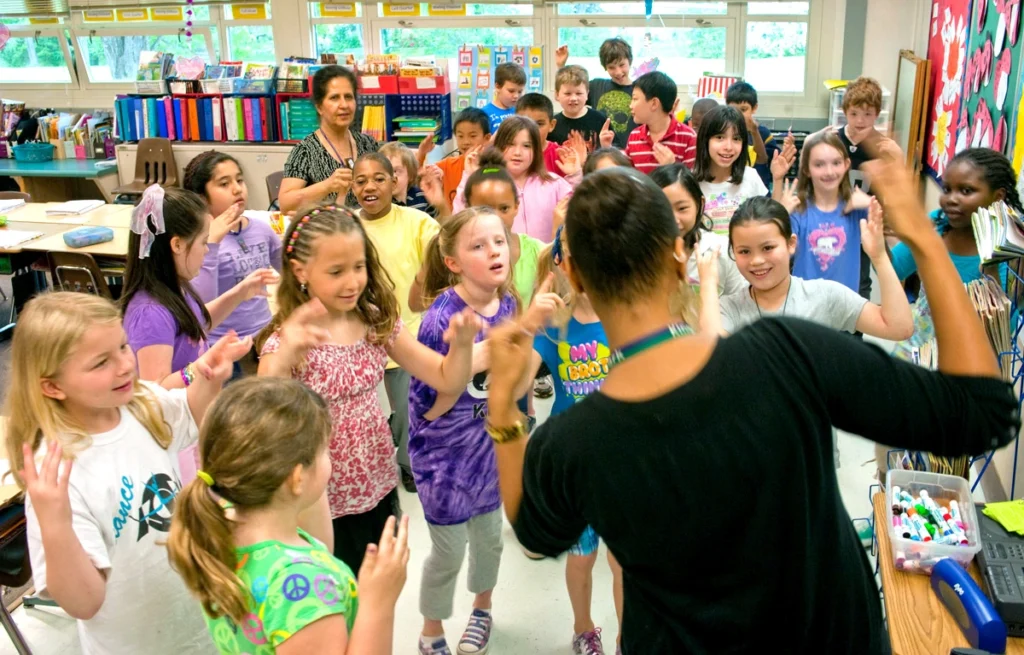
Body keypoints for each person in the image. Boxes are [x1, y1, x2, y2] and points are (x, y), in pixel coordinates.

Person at [481, 162, 1019, 653]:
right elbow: (983, 412)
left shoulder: (573, 442)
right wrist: (925, 240)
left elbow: (534, 531)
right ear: (678, 252)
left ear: (573, 274)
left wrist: (504, 408)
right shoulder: (788, 353)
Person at [6, 292, 250, 654]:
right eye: (100, 362)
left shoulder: (142, 402)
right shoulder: (57, 472)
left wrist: (208, 378)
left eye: (122, 346)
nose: (124, 365)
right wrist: (54, 525)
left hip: (200, 625)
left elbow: (195, 417)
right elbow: (83, 603)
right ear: (53, 386)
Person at [257, 205, 480, 572]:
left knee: (375, 591)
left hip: (374, 484)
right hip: (317, 500)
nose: (352, 282)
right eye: (336, 271)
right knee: (334, 602)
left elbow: (444, 377)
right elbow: (260, 414)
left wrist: (462, 345)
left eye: (358, 267)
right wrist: (284, 355)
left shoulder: (374, 319)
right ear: (300, 271)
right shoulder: (290, 339)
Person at [167, 376, 412, 654]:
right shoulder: (301, 587)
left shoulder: (216, 526)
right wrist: (377, 604)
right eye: (324, 451)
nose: (328, 460)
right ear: (297, 478)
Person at [410, 207, 532, 655]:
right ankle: (431, 630)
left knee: (487, 542)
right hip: (442, 455)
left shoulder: (511, 304)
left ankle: (482, 609)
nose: (493, 251)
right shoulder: (441, 319)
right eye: (478, 246)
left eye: (498, 241)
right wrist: (476, 356)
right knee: (447, 550)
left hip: (489, 450)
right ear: (454, 262)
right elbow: (432, 405)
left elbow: (514, 384)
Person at [876, 147, 1019, 478]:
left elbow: (1005, 322)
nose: (951, 199)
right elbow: (896, 267)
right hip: (916, 354)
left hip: (965, 371)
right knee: (895, 447)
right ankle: (887, 509)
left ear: (996, 196)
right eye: (948, 189)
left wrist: (993, 266)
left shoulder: (1010, 253)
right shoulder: (935, 229)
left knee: (945, 460)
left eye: (966, 191)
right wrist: (877, 237)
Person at [517, 232, 625, 655]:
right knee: (581, 559)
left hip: (623, 463)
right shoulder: (555, 325)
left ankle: (625, 636)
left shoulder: (626, 316)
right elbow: (521, 381)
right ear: (560, 264)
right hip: (575, 467)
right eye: (576, 259)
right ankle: (584, 628)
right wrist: (528, 322)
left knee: (623, 563)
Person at [121, 185, 278, 388]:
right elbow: (157, 390)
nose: (206, 250)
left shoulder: (173, 286)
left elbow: (196, 323)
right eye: (204, 242)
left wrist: (239, 294)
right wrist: (206, 363)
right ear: (177, 245)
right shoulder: (150, 313)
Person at [352, 153, 442, 492]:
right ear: (352, 187)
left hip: (409, 334)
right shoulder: (347, 225)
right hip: (360, 335)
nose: (369, 186)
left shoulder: (416, 221)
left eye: (378, 178)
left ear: (394, 183)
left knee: (408, 406)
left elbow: (443, 252)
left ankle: (407, 461)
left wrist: (443, 208)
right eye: (361, 180)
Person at [716, 196, 912, 341]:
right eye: (744, 251)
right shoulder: (728, 308)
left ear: (791, 244)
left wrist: (879, 257)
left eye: (768, 248)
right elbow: (710, 362)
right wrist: (708, 283)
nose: (757, 260)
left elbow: (898, 328)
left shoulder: (825, 295)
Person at [183, 151, 283, 376]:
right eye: (224, 183)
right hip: (222, 347)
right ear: (201, 197)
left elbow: (292, 271)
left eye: (239, 180)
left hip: (265, 340)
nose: (237, 189)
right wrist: (212, 241)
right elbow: (198, 304)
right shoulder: (197, 243)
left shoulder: (261, 229)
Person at [454, 117, 579, 242]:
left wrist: (574, 177)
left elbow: (577, 214)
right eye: (510, 144)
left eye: (526, 146)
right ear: (498, 146)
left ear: (536, 150)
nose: (518, 152)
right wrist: (469, 178)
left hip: (545, 259)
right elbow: (459, 220)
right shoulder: (487, 185)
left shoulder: (553, 183)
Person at [279, 65, 380, 211]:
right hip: (327, 229)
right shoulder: (305, 151)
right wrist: (327, 186)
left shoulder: (368, 144)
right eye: (334, 98)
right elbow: (285, 204)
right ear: (319, 107)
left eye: (348, 97)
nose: (344, 105)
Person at [788, 130, 871, 293]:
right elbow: (779, 252)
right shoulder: (797, 210)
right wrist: (782, 210)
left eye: (836, 163)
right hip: (804, 307)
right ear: (806, 169)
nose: (829, 172)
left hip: (846, 307)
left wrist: (870, 203)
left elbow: (896, 228)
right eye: (819, 165)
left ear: (846, 164)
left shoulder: (858, 209)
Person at [650, 163, 746, 297]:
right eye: (662, 209)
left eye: (682, 208)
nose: (674, 220)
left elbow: (739, 301)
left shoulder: (721, 250)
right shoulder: (644, 254)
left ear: (700, 204)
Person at [694, 105, 771, 234]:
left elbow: (767, 223)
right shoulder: (692, 183)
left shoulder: (751, 177)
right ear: (705, 140)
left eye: (736, 139)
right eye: (720, 137)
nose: (729, 147)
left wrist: (778, 179)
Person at [555, 39, 637, 148]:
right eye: (611, 67)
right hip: (602, 152)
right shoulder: (597, 86)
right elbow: (572, 88)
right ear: (605, 67)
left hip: (631, 151)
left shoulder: (639, 90)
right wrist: (561, 66)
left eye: (622, 65)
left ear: (630, 61)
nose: (618, 72)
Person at [416, 107, 491, 211]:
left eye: (472, 136)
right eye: (460, 136)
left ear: (486, 138)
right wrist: (421, 154)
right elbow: (416, 177)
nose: (466, 142)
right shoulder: (447, 165)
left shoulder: (493, 169)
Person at [624, 71, 696, 174]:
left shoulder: (688, 137)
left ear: (654, 103)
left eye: (635, 99)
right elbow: (628, 177)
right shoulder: (634, 136)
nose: (631, 105)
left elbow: (691, 185)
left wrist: (672, 167)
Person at [726, 82, 779, 189]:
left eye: (743, 109)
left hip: (758, 190)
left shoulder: (763, 133)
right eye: (733, 109)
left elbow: (765, 160)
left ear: (754, 108)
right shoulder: (725, 132)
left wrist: (754, 132)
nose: (738, 114)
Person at [549, 65, 608, 152]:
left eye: (579, 93)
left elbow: (615, 153)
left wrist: (607, 146)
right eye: (567, 93)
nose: (573, 98)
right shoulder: (552, 125)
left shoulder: (600, 120)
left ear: (587, 94)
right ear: (557, 95)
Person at [381, 141, 442, 219]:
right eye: (385, 171)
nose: (391, 177)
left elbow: (435, 224)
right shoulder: (380, 202)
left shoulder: (422, 196)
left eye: (396, 171)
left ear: (410, 176)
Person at [515, 92, 570, 179]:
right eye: (525, 122)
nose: (532, 129)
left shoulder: (560, 156)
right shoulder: (508, 153)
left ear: (551, 125)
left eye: (539, 124)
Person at [482, 61, 526, 132]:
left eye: (520, 92)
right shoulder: (484, 114)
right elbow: (481, 143)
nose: (516, 96)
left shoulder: (520, 111)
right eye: (511, 91)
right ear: (498, 87)